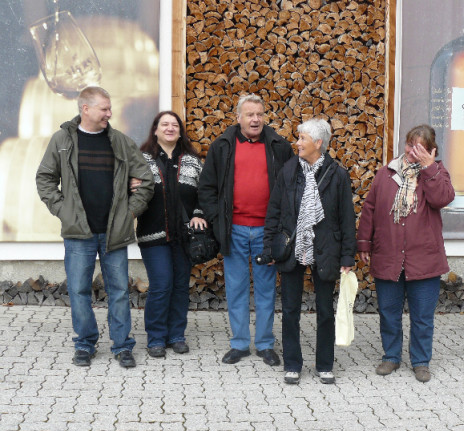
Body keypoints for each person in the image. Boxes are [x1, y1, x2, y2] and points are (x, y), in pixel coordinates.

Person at [35, 86, 154, 368]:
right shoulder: (62, 140)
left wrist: (130, 212)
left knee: (119, 291)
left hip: (114, 232)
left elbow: (146, 180)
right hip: (79, 234)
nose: (109, 114)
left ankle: (122, 346)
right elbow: (45, 179)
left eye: (110, 108)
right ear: (85, 109)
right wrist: (63, 211)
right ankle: (85, 344)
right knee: (78, 291)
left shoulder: (120, 141)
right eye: (104, 109)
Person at [198, 94, 294, 367]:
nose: (255, 120)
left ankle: (264, 344)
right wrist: (217, 221)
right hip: (234, 231)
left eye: (259, 114)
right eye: (250, 114)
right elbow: (207, 188)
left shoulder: (279, 146)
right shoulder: (222, 146)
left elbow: (290, 189)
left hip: (267, 232)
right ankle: (239, 343)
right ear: (238, 117)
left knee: (266, 290)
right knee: (236, 289)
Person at [357, 125, 454, 383]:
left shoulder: (437, 173)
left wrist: (429, 167)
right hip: (388, 255)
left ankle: (421, 361)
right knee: (389, 313)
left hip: (424, 259)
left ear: (431, 150)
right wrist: (364, 243)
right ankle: (391, 356)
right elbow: (370, 209)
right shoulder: (386, 173)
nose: (412, 152)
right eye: (410, 145)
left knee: (422, 317)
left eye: (419, 148)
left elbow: (442, 198)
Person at [262, 118, 356, 385]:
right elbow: (274, 210)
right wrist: (270, 248)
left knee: (325, 311)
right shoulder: (288, 170)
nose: (297, 143)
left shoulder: (337, 175)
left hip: (326, 249)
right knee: (290, 310)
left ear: (318, 142)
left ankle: (325, 365)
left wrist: (347, 256)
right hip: (293, 248)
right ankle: (292, 364)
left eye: (302, 138)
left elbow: (347, 218)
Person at [131, 111, 206, 358]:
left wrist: (198, 214)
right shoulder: (141, 160)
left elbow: (204, 193)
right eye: (165, 124)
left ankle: (176, 335)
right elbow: (127, 190)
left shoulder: (193, 161)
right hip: (153, 235)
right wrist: (130, 187)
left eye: (175, 125)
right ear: (155, 130)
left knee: (180, 286)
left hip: (185, 236)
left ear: (180, 131)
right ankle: (156, 337)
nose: (170, 128)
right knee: (162, 285)